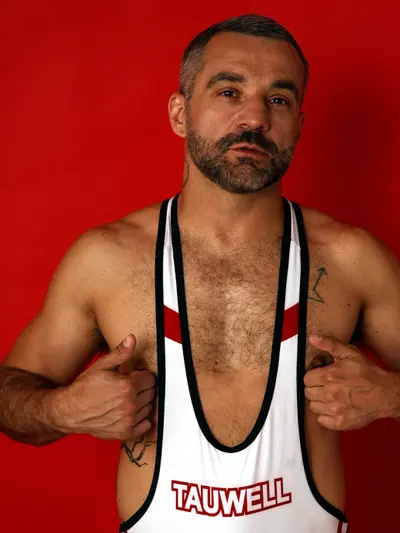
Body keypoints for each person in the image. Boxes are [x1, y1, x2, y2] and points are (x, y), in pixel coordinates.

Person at [1, 13, 399, 533]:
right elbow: (9, 394)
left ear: (299, 125)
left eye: (279, 99)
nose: (255, 118)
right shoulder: (107, 259)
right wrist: (61, 410)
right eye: (229, 92)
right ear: (180, 112)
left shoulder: (351, 260)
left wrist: (390, 397)